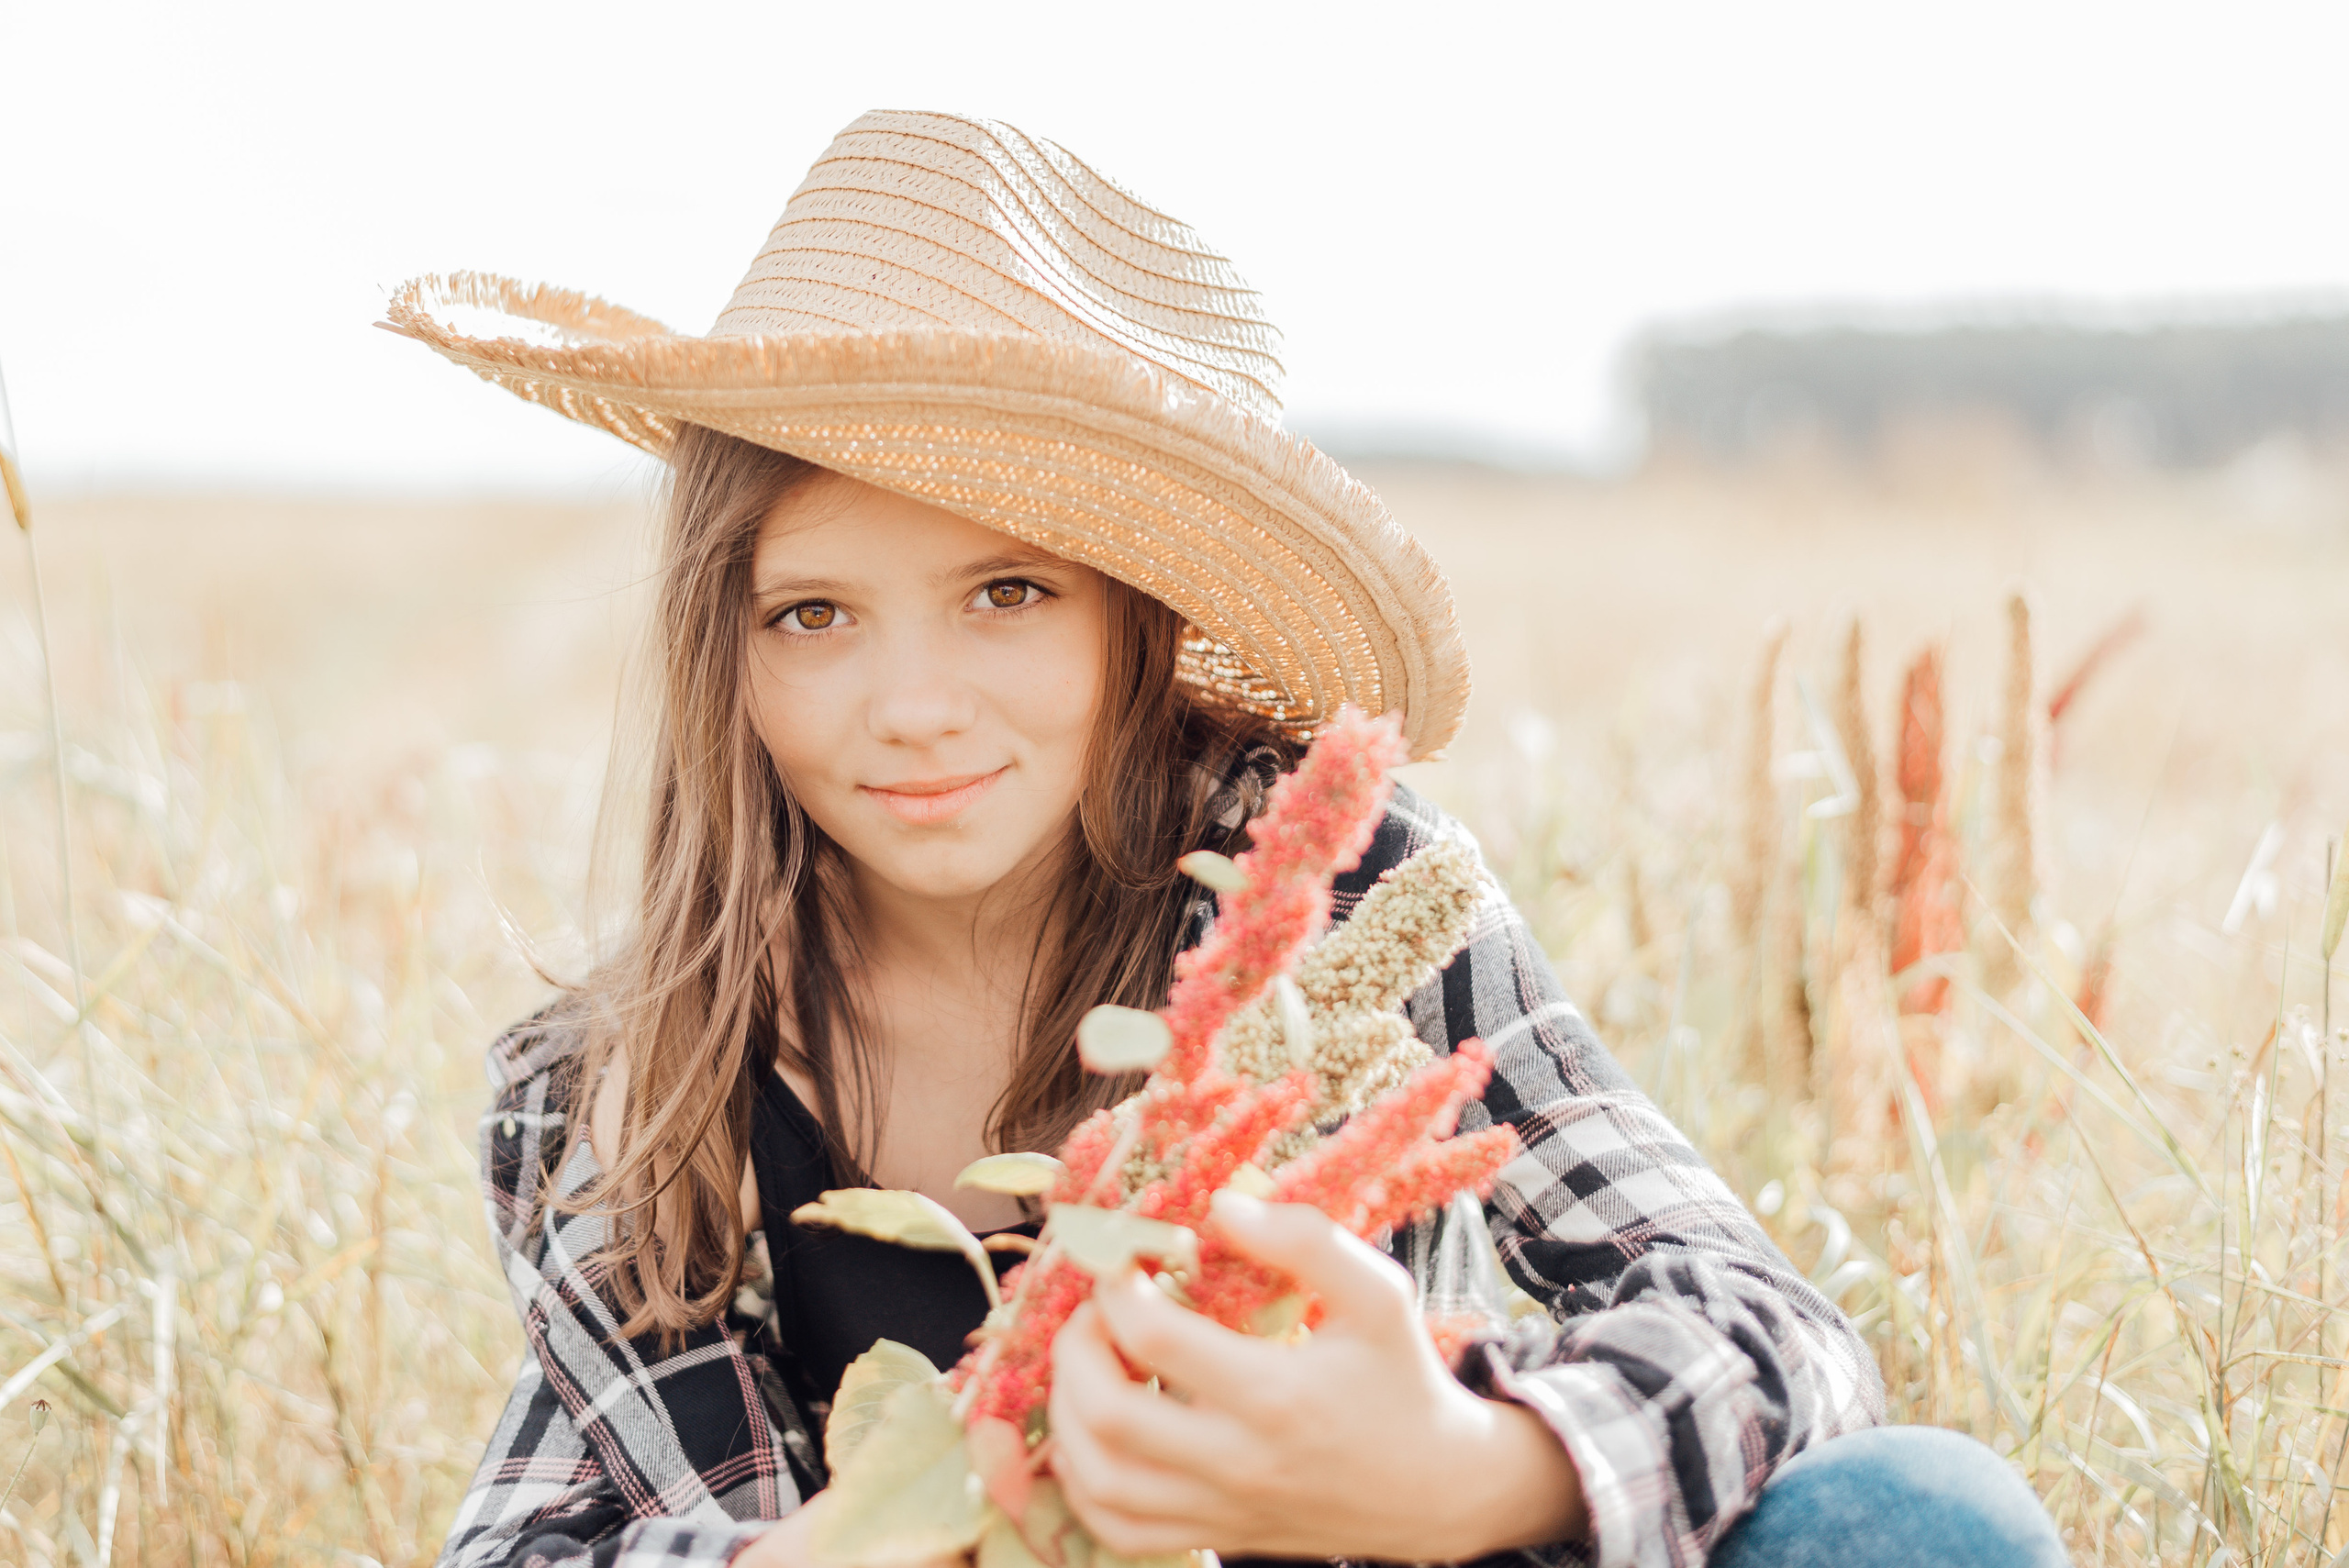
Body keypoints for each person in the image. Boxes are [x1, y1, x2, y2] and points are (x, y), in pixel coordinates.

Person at [392, 112, 2066, 1568]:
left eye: (1008, 592)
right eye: (813, 611)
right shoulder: (617, 1089)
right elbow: (524, 1533)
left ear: (1137, 624)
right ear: (720, 646)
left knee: (1925, 1522)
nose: (912, 704)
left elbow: (1772, 1329)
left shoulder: (1329, 889)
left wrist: (1471, 1469)